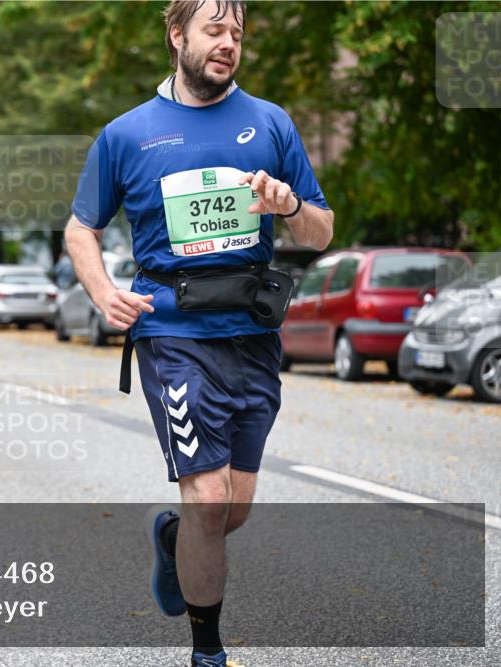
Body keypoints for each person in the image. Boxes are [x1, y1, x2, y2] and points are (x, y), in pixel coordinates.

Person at [65, 2, 333, 665]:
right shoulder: (127, 134)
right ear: (177, 34)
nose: (228, 43)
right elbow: (81, 228)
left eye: (236, 33)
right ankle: (207, 651)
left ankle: (170, 539)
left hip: (251, 335)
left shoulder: (270, 123)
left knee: (231, 509)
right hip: (172, 333)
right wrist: (103, 292)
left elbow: (321, 231)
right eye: (215, 30)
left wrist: (289, 205)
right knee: (208, 498)